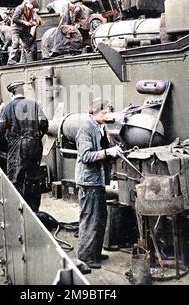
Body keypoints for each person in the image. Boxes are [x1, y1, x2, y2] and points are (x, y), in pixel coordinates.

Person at [75, 98, 122, 269]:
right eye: (106, 111)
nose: (108, 114)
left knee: (101, 218)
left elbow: (102, 149)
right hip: (88, 181)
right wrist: (108, 151)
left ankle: (94, 251)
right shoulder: (86, 128)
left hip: (98, 181)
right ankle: (86, 257)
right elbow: (86, 156)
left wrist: (112, 145)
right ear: (98, 112)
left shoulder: (99, 128)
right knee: (90, 219)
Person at [0, 81, 49, 211]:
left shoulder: (8, 107)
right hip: (34, 146)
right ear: (23, 92)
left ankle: (18, 210)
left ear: (12, 93)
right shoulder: (34, 105)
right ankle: (34, 212)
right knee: (33, 178)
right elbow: (44, 123)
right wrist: (37, 135)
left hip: (17, 147)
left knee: (16, 177)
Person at [8, 0, 41, 65]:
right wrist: (24, 22)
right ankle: (11, 61)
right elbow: (14, 19)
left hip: (24, 29)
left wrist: (33, 23)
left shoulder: (30, 11)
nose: (33, 9)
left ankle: (23, 61)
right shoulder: (20, 8)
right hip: (16, 29)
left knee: (28, 43)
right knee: (15, 43)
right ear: (30, 4)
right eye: (33, 7)